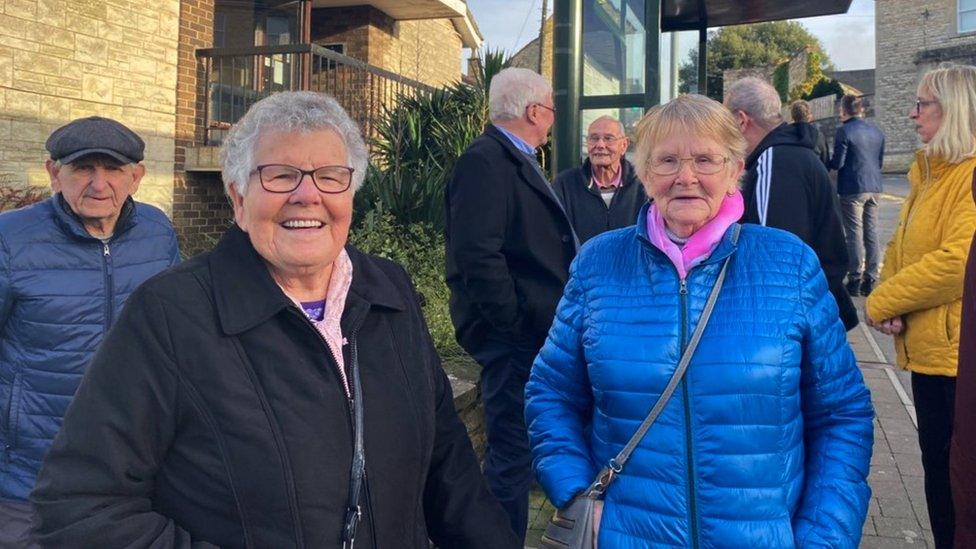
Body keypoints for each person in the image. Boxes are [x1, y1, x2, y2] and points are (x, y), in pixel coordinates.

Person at [30, 92, 519, 548]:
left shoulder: (388, 292)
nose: (307, 195)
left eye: (330, 175)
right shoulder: (170, 315)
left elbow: (445, 458)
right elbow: (80, 505)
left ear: (350, 194)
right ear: (239, 199)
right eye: (280, 175)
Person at [525, 94, 873, 547]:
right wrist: (576, 495)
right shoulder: (598, 264)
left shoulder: (789, 264)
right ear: (645, 173)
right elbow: (550, 392)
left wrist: (824, 535)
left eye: (705, 160)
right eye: (667, 160)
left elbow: (841, 414)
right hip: (629, 535)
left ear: (734, 170)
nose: (686, 177)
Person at [0, 116, 179, 546]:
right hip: (28, 471)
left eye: (113, 169)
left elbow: (174, 330)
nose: (99, 184)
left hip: (129, 465)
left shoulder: (157, 233)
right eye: (83, 168)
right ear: (53, 173)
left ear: (136, 177)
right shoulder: (10, 239)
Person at [445, 67, 576, 542]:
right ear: (534, 111)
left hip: (528, 335)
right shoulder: (486, 161)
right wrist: (513, 325)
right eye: (551, 112)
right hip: (515, 340)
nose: (551, 123)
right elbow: (478, 255)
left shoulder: (510, 157)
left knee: (518, 452)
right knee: (510, 457)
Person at [867, 64, 976, 549]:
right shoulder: (931, 173)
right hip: (931, 355)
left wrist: (883, 300)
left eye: (922, 104)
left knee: (958, 487)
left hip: (958, 364)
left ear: (953, 111)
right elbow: (900, 249)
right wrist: (890, 292)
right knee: (937, 476)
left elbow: (959, 260)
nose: (913, 114)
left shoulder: (968, 177)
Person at [726, 77, 858, 331]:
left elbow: (770, 255)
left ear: (741, 120)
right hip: (816, 304)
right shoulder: (795, 152)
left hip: (794, 317)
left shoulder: (774, 161)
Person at [553, 115, 646, 243]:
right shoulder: (565, 184)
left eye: (608, 138)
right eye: (594, 138)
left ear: (624, 145)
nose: (600, 145)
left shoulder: (643, 183)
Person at [830, 94, 886, 297]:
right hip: (875, 186)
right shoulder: (877, 131)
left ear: (843, 111)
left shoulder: (844, 132)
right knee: (871, 232)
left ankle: (854, 278)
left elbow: (838, 163)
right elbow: (879, 161)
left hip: (853, 187)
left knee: (854, 232)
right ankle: (871, 277)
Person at [790, 99, 830, 166]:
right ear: (809, 116)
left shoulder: (784, 135)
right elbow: (825, 161)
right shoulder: (818, 136)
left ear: (792, 116)